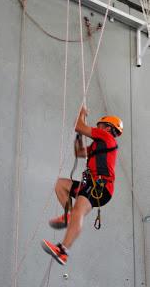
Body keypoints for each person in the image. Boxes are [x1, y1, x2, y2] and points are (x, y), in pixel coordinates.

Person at [41, 107, 123, 265]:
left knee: (80, 209)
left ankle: (63, 250)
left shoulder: (105, 136)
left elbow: (79, 125)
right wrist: (79, 136)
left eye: (99, 125)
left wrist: (81, 114)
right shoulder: (98, 145)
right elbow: (79, 152)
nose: (96, 128)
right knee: (60, 184)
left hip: (101, 187)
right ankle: (69, 215)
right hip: (92, 185)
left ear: (107, 128)